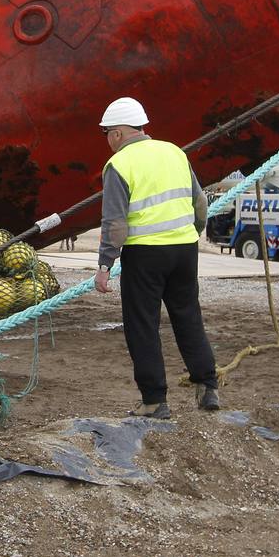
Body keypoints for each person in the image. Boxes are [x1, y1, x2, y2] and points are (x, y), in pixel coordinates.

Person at [92, 97, 219, 418]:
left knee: (143, 326)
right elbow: (200, 203)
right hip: (185, 250)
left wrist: (105, 265)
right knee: (188, 316)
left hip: (145, 254)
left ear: (119, 133)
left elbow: (115, 223)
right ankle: (208, 387)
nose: (107, 139)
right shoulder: (174, 152)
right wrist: (192, 232)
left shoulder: (118, 165)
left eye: (107, 133)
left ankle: (154, 400)